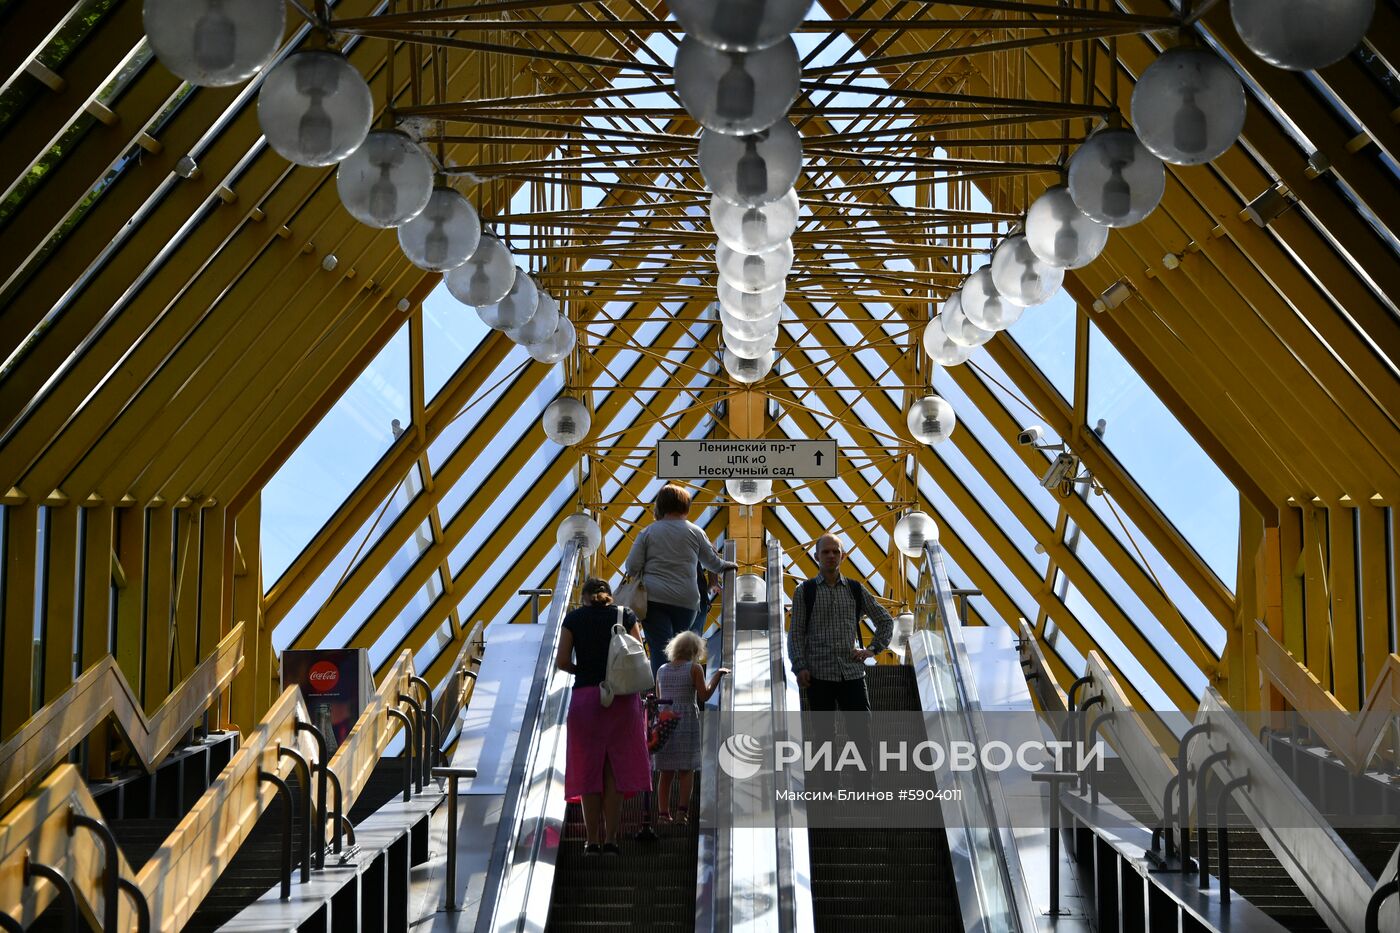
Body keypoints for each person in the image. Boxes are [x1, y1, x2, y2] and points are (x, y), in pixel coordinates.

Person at [556, 577, 652, 855]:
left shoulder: (574, 618)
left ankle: (591, 840)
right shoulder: (626, 615)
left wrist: (584, 672)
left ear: (584, 596)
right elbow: (639, 658)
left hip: (586, 698)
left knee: (588, 769)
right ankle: (611, 840)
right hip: (622, 699)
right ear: (610, 595)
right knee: (614, 771)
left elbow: (562, 661)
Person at [624, 483, 737, 677]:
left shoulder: (648, 532)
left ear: (660, 505)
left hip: (654, 600)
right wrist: (728, 565)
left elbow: (632, 567)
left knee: (661, 649)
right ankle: (683, 692)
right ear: (685, 506)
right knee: (682, 651)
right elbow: (712, 563)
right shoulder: (695, 532)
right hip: (686, 602)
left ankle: (662, 701)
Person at [788, 532, 895, 711]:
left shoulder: (855, 589)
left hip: (852, 673)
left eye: (836, 552)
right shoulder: (805, 591)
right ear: (816, 557)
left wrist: (872, 649)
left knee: (861, 734)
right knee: (824, 735)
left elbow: (885, 620)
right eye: (826, 552)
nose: (831, 556)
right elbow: (796, 632)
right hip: (818, 674)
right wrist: (800, 666)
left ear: (843, 556)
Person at [653, 631, 727, 825]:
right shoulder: (694, 669)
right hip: (686, 722)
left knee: (665, 771)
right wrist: (717, 676)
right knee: (687, 769)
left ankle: (662, 814)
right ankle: (681, 813)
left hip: (665, 721)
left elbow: (659, 697)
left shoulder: (661, 669)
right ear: (695, 650)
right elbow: (704, 696)